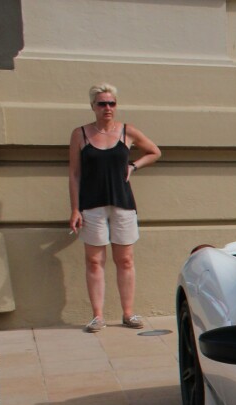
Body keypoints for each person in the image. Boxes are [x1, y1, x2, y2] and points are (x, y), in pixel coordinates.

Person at [68, 83, 160, 333]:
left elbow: (154, 151)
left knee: (126, 260)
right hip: (92, 206)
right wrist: (75, 209)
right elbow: (74, 174)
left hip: (122, 204)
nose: (107, 108)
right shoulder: (81, 134)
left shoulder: (127, 131)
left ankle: (128, 314)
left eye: (112, 103)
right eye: (102, 103)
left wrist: (134, 166)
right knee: (94, 261)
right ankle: (97, 316)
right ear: (93, 106)